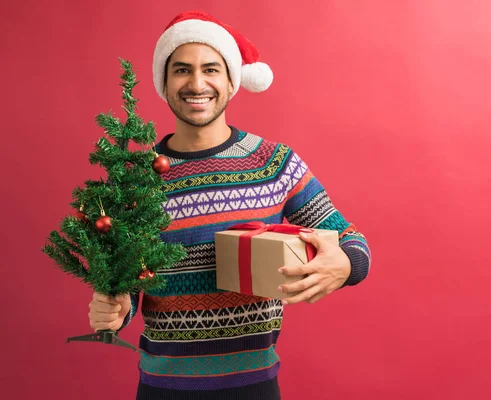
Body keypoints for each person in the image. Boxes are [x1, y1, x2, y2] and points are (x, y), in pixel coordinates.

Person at [88, 10, 371, 400]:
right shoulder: (137, 180)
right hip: (162, 388)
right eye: (182, 70)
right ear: (164, 81)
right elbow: (129, 288)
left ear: (231, 79)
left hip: (253, 385)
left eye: (211, 69)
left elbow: (351, 239)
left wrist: (346, 263)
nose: (197, 83)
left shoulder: (275, 163)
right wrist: (119, 309)